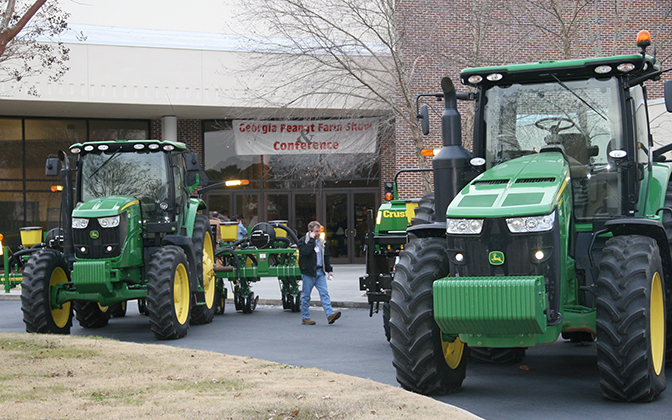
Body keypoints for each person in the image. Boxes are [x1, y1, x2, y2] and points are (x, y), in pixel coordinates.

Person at [297, 221, 341, 325]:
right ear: (311, 231)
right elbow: (305, 252)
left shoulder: (322, 242)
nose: (318, 233)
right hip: (308, 273)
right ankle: (305, 318)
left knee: (324, 294)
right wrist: (311, 240)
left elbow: (326, 257)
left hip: (320, 271)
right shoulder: (303, 241)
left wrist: (329, 270)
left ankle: (330, 315)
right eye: (316, 231)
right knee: (306, 296)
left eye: (319, 231)